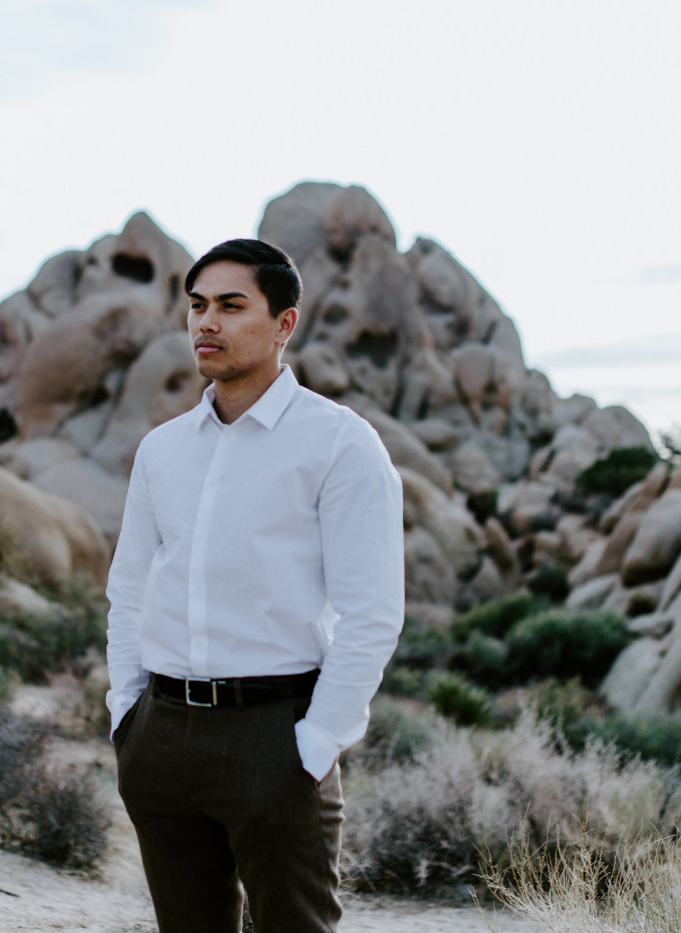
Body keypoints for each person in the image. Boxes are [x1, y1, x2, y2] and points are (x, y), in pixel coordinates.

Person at [105, 238, 404, 933]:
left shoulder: (340, 443)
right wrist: (127, 714)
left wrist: (317, 742)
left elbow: (373, 613)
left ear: (284, 324)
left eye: (232, 306)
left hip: (276, 738)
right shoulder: (162, 449)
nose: (207, 322)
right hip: (162, 736)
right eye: (198, 305)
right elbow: (129, 590)